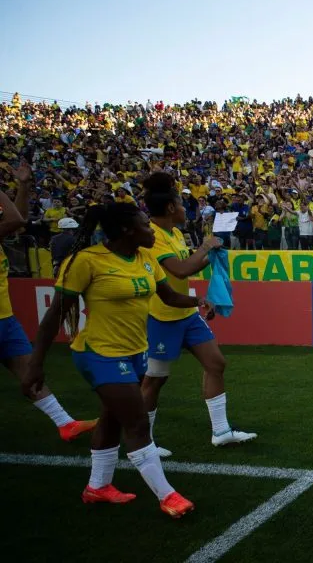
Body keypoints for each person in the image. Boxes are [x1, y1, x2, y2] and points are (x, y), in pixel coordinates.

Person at [24, 202, 208, 517]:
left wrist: (199, 300)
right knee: (136, 422)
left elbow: (167, 296)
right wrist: (35, 365)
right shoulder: (86, 261)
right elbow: (55, 314)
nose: (151, 231)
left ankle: (98, 487)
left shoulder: (146, 257)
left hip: (136, 352)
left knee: (111, 418)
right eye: (145, 225)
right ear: (126, 230)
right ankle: (168, 496)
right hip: (99, 353)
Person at [139, 172, 257, 458]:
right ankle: (142, 442)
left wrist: (212, 253)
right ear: (170, 208)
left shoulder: (175, 233)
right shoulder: (153, 238)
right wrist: (204, 247)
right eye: (180, 203)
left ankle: (221, 432)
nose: (184, 208)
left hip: (187, 314)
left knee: (216, 363)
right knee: (155, 380)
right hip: (163, 317)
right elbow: (178, 270)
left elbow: (189, 264)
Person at [4, 163, 95, 442]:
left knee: (28, 369)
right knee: (27, 368)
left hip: (4, 318)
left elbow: (16, 221)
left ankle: (64, 423)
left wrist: (22, 187)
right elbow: (16, 221)